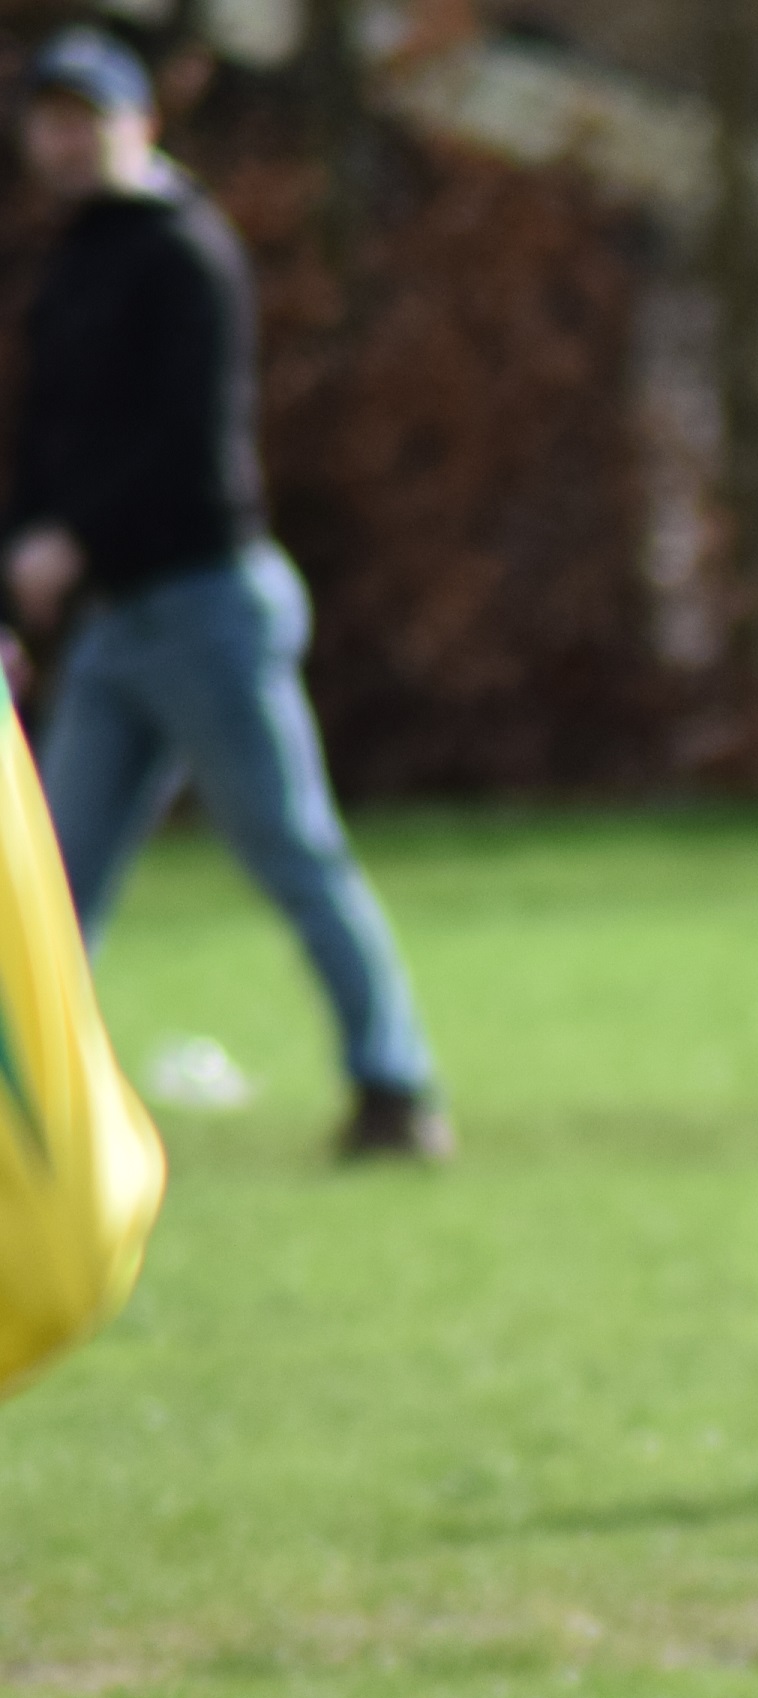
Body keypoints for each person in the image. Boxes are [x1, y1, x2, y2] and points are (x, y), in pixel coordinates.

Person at [7, 29, 442, 1164]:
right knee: (46, 892)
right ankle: (39, 1128)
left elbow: (183, 447)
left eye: (84, 117)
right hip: (112, 624)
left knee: (291, 850)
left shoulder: (184, 254)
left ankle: (395, 1087)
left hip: (204, 607)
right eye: (47, 119)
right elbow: (47, 451)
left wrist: (73, 542)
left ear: (139, 122)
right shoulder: (72, 263)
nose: (63, 140)